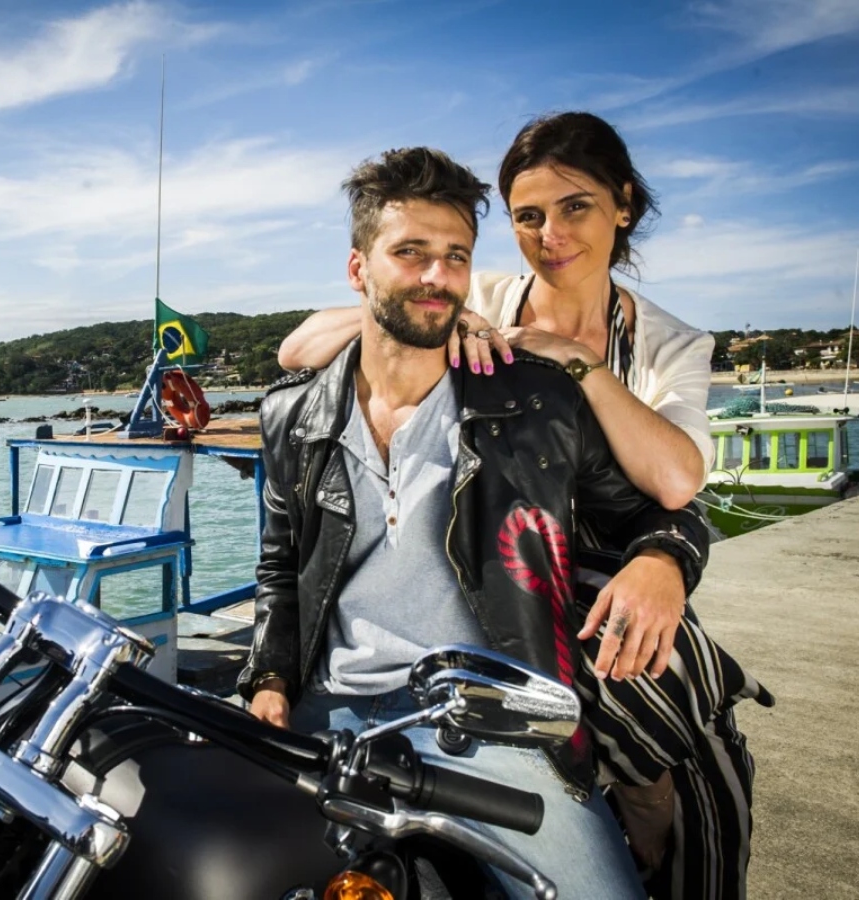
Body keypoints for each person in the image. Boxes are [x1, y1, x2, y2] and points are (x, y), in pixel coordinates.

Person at [275, 113, 771, 900]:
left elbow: (677, 483)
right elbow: (297, 349)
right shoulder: (484, 292)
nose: (551, 234)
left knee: (690, 764)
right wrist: (449, 320)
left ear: (624, 206)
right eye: (528, 216)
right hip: (500, 572)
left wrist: (577, 363)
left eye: (575, 206)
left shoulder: (668, 343)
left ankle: (651, 791)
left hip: (607, 563)